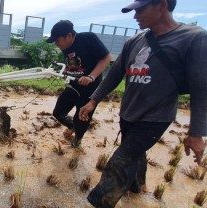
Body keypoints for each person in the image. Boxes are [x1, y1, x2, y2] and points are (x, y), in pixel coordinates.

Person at [79, 0, 207, 207]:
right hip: (128, 112)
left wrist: (196, 132)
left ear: (162, 5)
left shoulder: (193, 38)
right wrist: (93, 101)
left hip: (155, 118)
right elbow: (114, 74)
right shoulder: (135, 40)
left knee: (120, 161)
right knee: (134, 153)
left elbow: (201, 88)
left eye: (140, 9)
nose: (135, 16)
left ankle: (99, 202)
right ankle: (137, 187)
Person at [46, 20, 111, 147]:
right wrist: (65, 71)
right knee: (58, 112)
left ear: (69, 35)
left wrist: (91, 77)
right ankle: (72, 127)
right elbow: (74, 64)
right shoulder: (65, 47)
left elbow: (106, 57)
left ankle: (77, 140)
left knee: (81, 118)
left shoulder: (87, 38)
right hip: (74, 86)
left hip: (90, 89)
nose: (56, 44)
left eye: (58, 40)